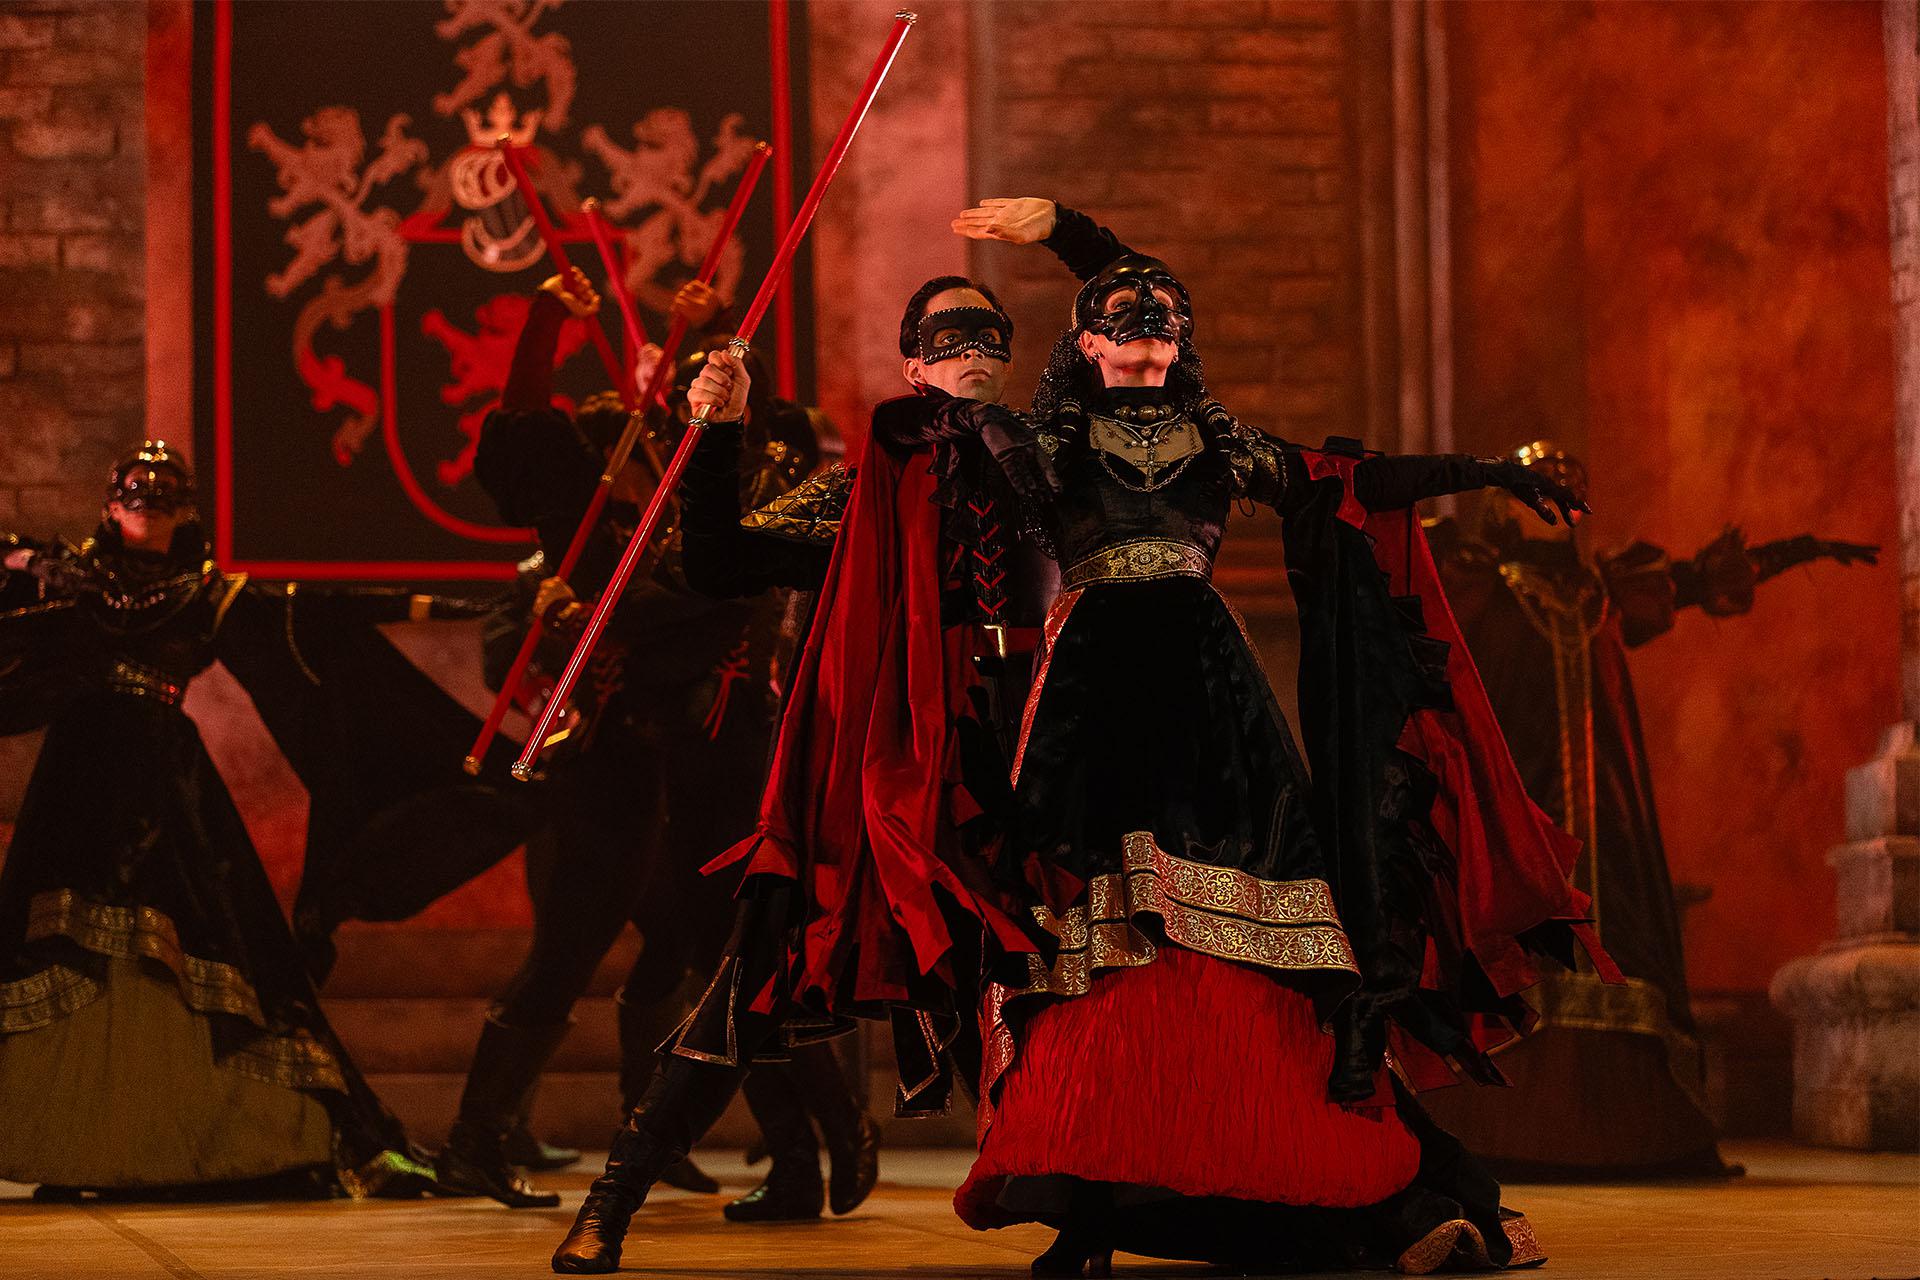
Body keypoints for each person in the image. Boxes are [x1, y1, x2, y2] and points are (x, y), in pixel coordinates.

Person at [944, 201, 1611, 1275]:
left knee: (1258, 925)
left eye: (1168, 313)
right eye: (1125, 312)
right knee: (1096, 932)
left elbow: (1352, 482)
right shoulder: (1043, 438)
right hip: (1092, 696)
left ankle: (1334, 1173)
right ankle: (1089, 1199)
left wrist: (1491, 469)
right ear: (1086, 339)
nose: (1149, 321)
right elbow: (986, 454)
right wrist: (1064, 242)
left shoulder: (1218, 437)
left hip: (1212, 696)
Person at [549, 257, 1100, 1273]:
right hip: (871, 781)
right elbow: (720, 560)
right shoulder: (863, 489)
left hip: (1002, 775)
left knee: (1044, 992)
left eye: (986, 337)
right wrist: (718, 432)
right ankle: (611, 1197)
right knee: (746, 982)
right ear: (909, 361)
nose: (969, 351)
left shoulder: (1040, 472)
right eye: (945, 338)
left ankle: (1092, 1220)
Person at [443, 269, 878, 1218]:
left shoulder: (746, 488)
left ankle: (815, 1141)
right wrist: (550, 318)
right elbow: (523, 438)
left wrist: (600, 614)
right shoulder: (605, 495)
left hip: (722, 755)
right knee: (607, 952)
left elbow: (705, 592)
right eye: (682, 402)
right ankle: (488, 1142)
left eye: (708, 397)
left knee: (733, 955)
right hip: (619, 766)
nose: (689, 415)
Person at [0, 443, 505, 1197]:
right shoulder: (63, 577)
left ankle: (201, 1147)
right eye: (134, 493)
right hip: (80, 784)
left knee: (217, 949)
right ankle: (71, 1148)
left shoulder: (211, 593)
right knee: (55, 950)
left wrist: (454, 606)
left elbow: (323, 614)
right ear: (109, 506)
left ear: (187, 511)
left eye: (164, 494)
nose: (148, 503)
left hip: (168, 785)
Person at [1418, 442, 1876, 1177]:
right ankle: (1503, 1128)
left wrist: (1791, 551)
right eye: (1537, 493)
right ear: (1504, 505)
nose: (1555, 508)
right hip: (1521, 805)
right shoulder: (1483, 587)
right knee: (1521, 939)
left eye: (1567, 495)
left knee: (1621, 942)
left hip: (1607, 816)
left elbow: (1695, 580)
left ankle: (1631, 1132)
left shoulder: (1602, 590)